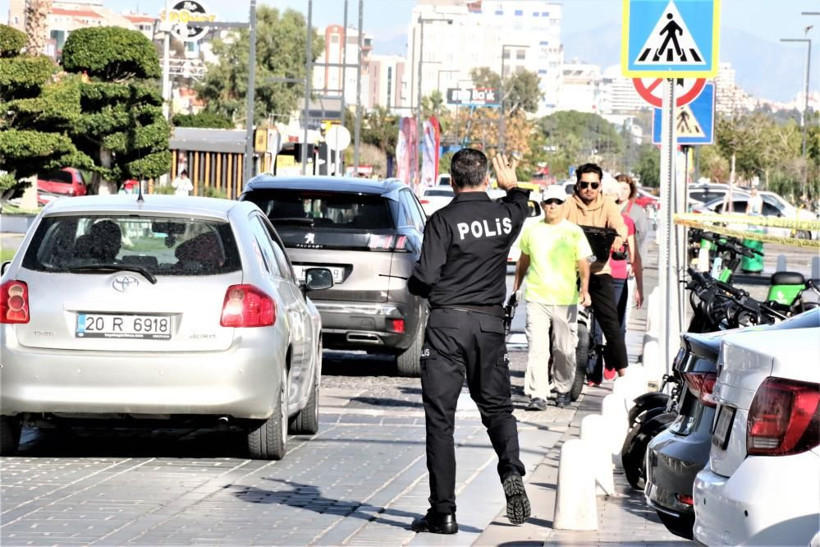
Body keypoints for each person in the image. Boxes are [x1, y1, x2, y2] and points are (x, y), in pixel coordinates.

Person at [407, 148, 531, 534]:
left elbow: (425, 278)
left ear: (451, 179)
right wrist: (512, 186)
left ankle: (443, 513)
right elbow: (520, 204)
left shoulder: (442, 220)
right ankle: (510, 469)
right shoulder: (503, 217)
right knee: (498, 409)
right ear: (486, 178)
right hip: (489, 325)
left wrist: (413, 284)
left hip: (446, 325)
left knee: (440, 421)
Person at [513, 184, 592, 410]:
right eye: (549, 202)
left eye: (557, 202)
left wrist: (584, 290)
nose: (553, 206)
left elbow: (583, 264)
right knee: (538, 348)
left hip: (566, 299)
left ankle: (563, 389)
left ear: (563, 205)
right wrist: (516, 288)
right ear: (542, 205)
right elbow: (523, 261)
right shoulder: (532, 230)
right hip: (537, 298)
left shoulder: (573, 231)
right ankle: (538, 394)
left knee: (564, 349)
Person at [562, 164, 630, 379]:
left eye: (594, 185)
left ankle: (623, 374)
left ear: (600, 186)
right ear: (577, 185)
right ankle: (550, 367)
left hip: (598, 271)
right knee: (555, 320)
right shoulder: (568, 204)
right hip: (569, 270)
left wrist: (619, 237)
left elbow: (620, 227)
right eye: (584, 184)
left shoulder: (608, 204)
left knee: (611, 324)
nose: (589, 189)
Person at [615, 173, 649, 259]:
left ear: (631, 190)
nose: (621, 192)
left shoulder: (637, 211)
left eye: (625, 188)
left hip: (627, 258)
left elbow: (641, 237)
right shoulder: (607, 207)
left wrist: (635, 261)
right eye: (618, 188)